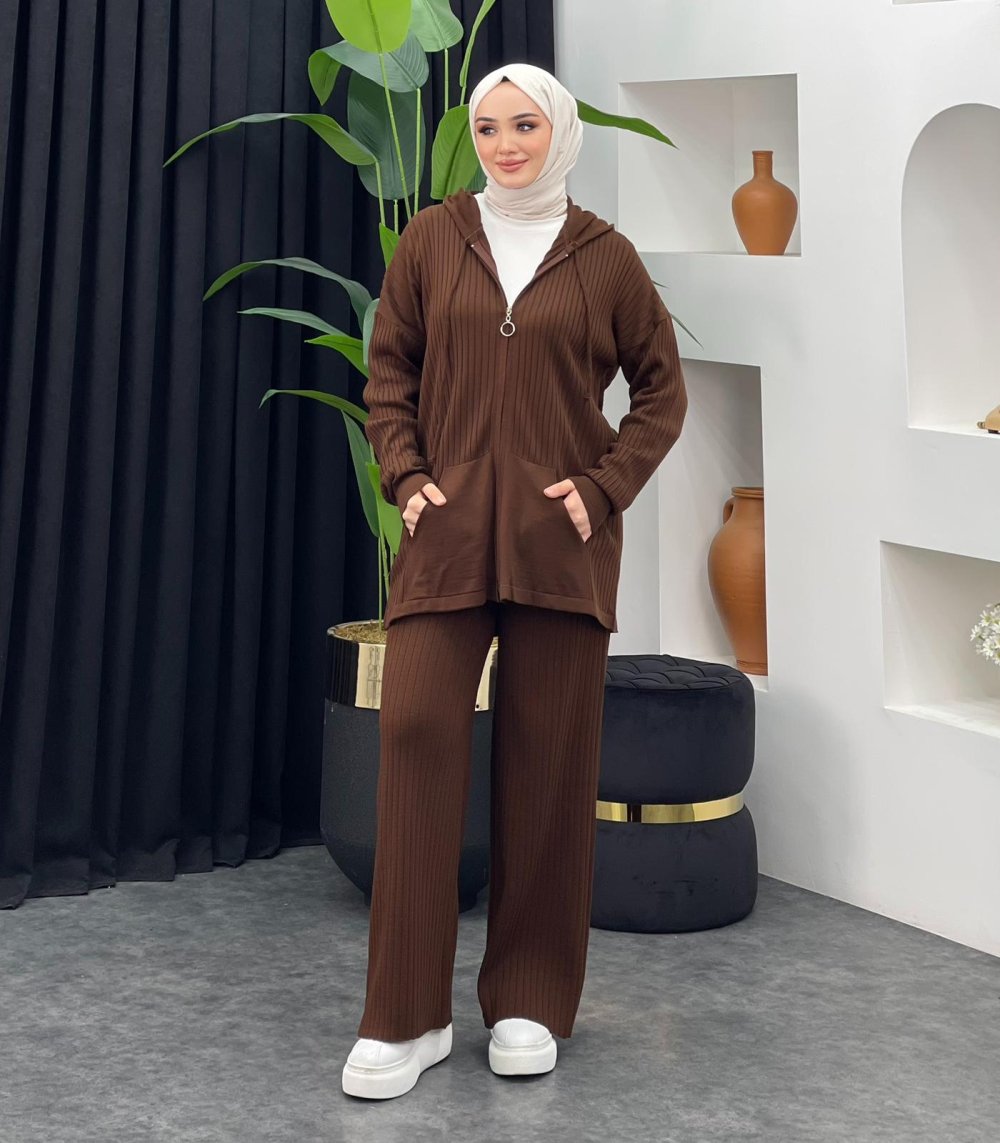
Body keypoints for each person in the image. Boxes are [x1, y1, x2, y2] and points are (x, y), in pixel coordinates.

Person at [341, 61, 688, 1100]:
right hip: (446, 540)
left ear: (560, 133)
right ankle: (406, 1017)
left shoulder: (605, 257)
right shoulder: (432, 239)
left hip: (557, 548)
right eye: (488, 127)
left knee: (548, 761)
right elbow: (389, 372)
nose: (504, 145)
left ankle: (530, 996)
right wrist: (406, 477)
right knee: (415, 736)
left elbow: (661, 392)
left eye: (524, 125)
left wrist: (604, 488)